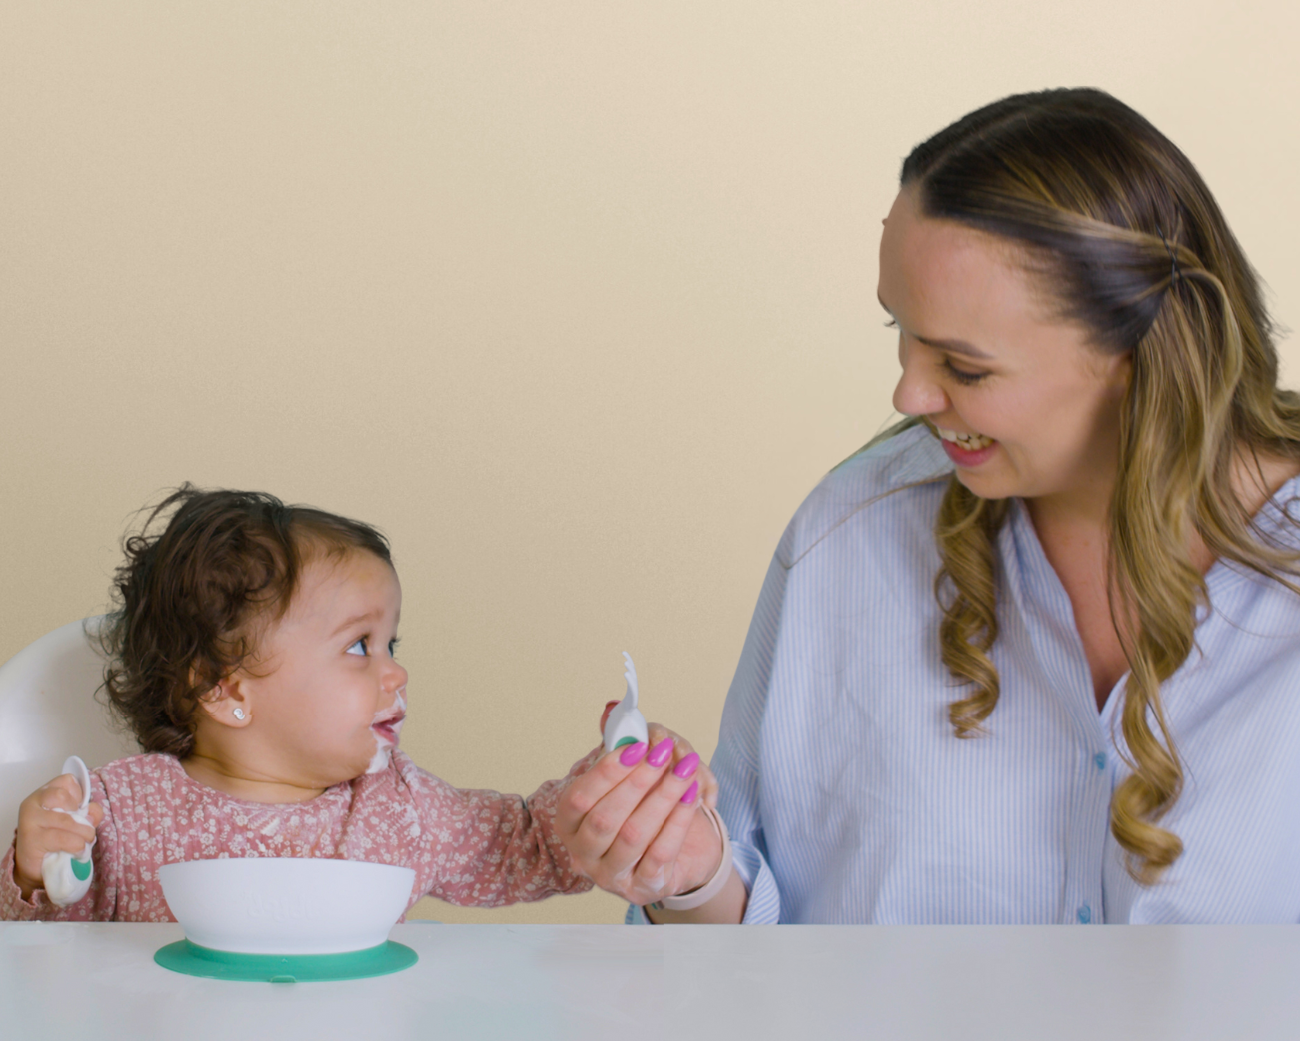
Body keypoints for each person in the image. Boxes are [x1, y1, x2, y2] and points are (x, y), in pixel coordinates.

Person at [556, 87, 1300, 923]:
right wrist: (684, 873)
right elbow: (747, 948)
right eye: (899, 333)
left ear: (1135, 349)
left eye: (965, 366)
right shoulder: (852, 533)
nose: (909, 394)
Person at [2, 485, 712, 920]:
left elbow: (528, 845)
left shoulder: (396, 807)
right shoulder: (122, 811)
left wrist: (612, 792)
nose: (395, 672)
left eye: (391, 643)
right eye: (358, 646)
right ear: (225, 689)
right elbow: (41, 953)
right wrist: (36, 869)